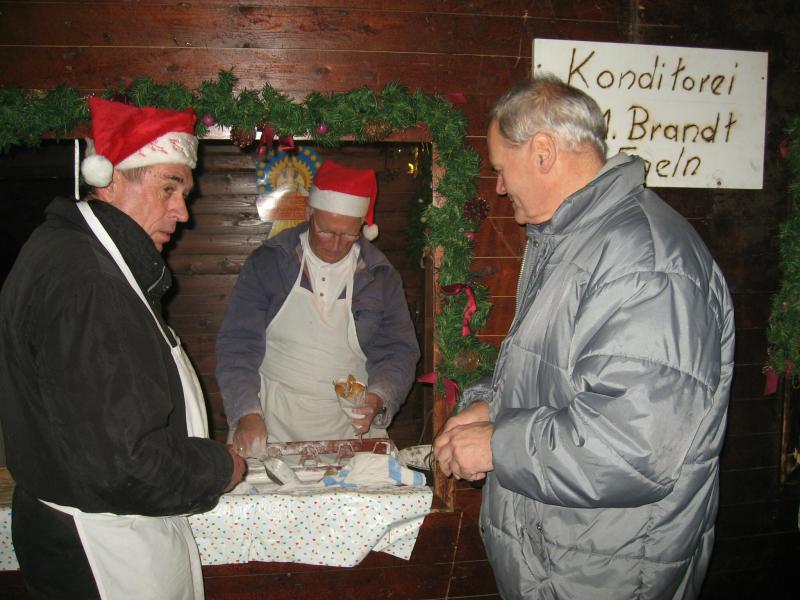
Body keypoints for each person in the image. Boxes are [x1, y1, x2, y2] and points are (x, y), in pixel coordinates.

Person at [433, 76, 735, 599]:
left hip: (607, 574)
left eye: (501, 168)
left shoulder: (644, 260)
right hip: (566, 561)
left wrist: (497, 444)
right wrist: (490, 406)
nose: (499, 187)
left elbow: (633, 448)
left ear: (543, 152)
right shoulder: (579, 240)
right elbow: (561, 378)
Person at [0, 97, 246, 599]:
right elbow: (128, 466)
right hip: (101, 543)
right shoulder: (91, 283)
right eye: (168, 187)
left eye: (184, 193)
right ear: (109, 179)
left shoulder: (67, 248)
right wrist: (220, 467)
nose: (182, 212)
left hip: (79, 523)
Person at [216, 160, 420, 454]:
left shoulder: (380, 276)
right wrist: (246, 412)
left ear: (363, 228)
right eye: (326, 231)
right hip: (271, 418)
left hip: (350, 422)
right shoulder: (269, 263)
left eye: (348, 235)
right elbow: (238, 345)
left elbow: (398, 351)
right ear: (309, 214)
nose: (335, 245)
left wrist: (378, 397)